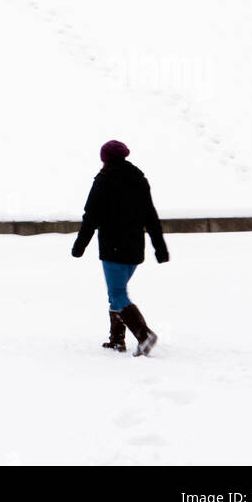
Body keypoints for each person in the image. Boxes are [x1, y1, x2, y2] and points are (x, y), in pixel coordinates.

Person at [71, 140, 169, 356]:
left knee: (117, 294)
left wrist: (79, 245)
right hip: (134, 248)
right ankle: (117, 341)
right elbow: (150, 215)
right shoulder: (139, 178)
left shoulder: (104, 180)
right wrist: (159, 247)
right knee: (116, 293)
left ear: (104, 159)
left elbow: (91, 216)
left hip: (112, 247)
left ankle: (144, 335)